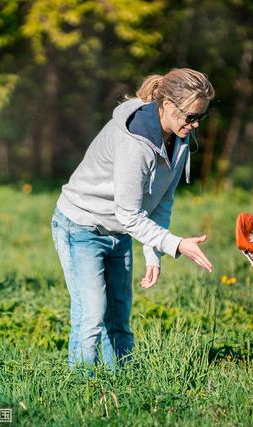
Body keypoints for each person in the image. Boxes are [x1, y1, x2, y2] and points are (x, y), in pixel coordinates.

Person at [50, 68, 214, 369]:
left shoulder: (178, 140)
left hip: (120, 232)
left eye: (200, 117)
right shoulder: (135, 142)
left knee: (119, 318)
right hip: (82, 227)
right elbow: (128, 213)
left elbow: (161, 201)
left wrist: (154, 254)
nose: (194, 125)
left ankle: (122, 387)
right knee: (92, 318)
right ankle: (80, 395)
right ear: (166, 105)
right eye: (190, 116)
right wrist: (176, 245)